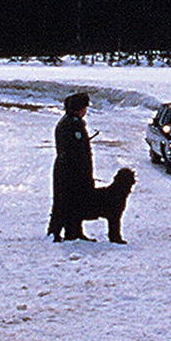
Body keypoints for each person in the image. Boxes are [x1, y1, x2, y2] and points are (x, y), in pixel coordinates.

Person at [48, 92, 97, 241]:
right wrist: (83, 173)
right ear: (79, 108)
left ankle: (73, 231)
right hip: (71, 171)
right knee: (67, 202)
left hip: (69, 170)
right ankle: (61, 232)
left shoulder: (71, 122)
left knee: (73, 202)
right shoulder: (71, 124)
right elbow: (74, 152)